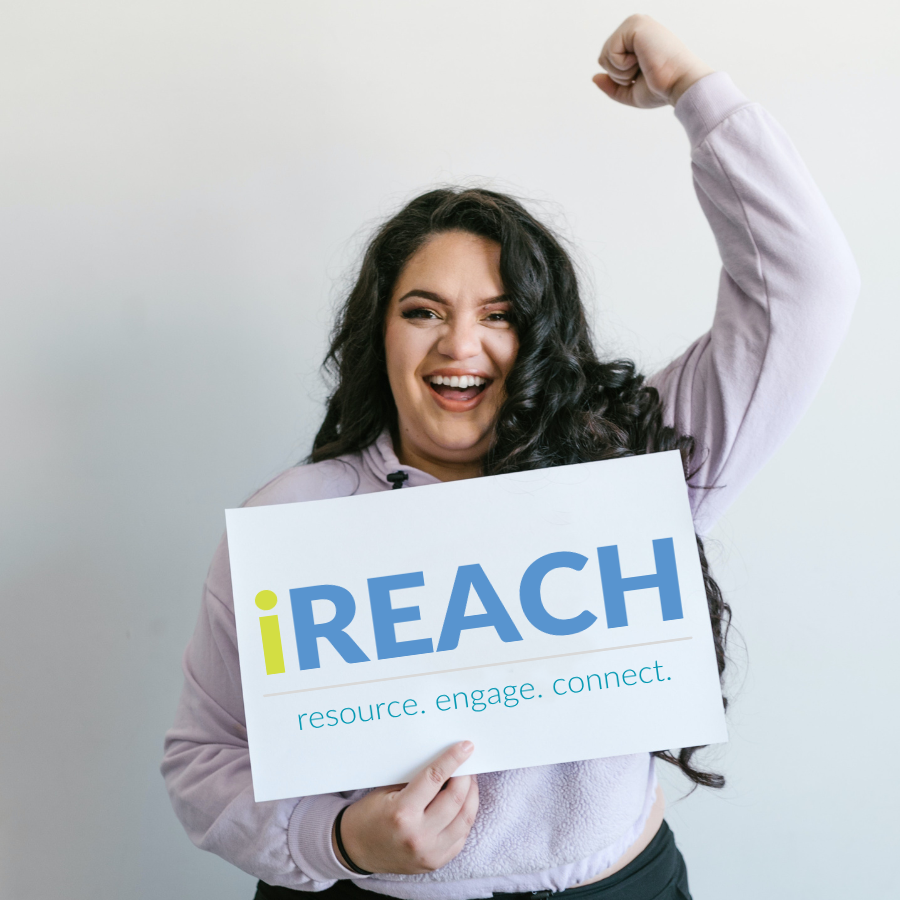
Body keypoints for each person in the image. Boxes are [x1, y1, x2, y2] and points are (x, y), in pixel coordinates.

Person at [161, 14, 859, 900]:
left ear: (540, 337)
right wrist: (336, 837)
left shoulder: (629, 468)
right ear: (379, 335)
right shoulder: (292, 521)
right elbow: (203, 759)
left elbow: (805, 291)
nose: (461, 344)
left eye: (500, 314)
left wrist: (693, 91)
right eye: (423, 310)